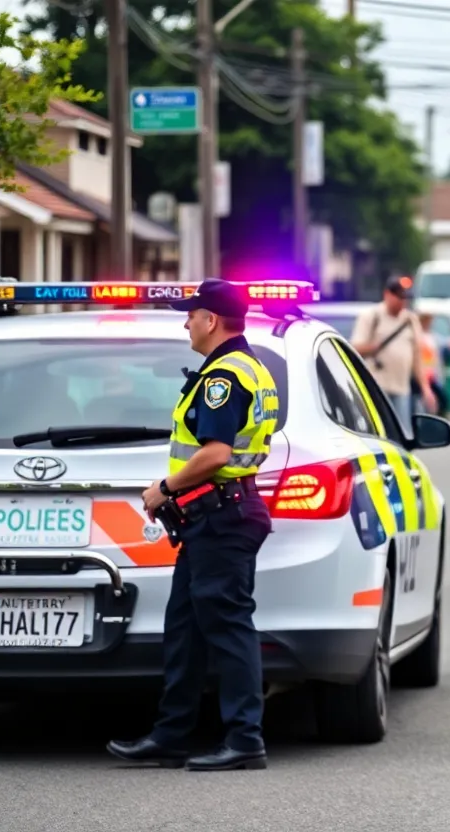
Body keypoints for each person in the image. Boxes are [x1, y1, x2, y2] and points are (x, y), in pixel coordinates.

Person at [107, 279, 278, 771]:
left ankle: (245, 740)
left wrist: (166, 487)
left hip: (223, 516)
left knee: (227, 627)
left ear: (211, 321)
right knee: (184, 628)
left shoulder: (224, 376)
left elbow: (217, 453)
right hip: (216, 517)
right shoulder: (247, 366)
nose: (186, 322)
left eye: (192, 314)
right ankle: (171, 735)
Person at [350, 277, 436, 427]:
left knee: (401, 432)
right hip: (377, 387)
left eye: (406, 298)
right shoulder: (372, 316)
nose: (402, 302)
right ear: (387, 294)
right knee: (379, 430)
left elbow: (417, 358)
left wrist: (425, 387)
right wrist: (373, 347)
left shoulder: (410, 320)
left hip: (402, 388)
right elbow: (354, 348)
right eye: (399, 297)